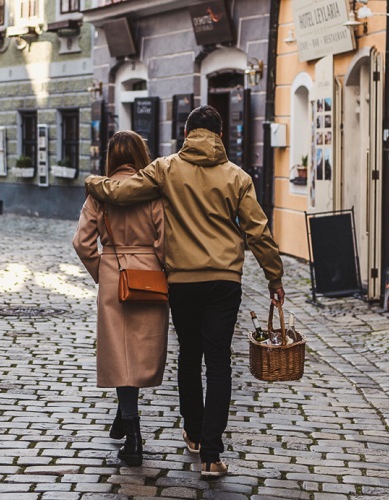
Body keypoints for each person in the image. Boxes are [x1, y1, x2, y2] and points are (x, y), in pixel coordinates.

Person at [85, 105, 285, 477]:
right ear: (220, 135)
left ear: (187, 133)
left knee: (190, 357)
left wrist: (94, 183)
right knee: (220, 362)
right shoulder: (237, 177)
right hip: (225, 282)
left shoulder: (166, 168)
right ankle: (211, 454)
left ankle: (193, 433)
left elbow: (124, 190)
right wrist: (274, 277)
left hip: (183, 282)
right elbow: (258, 231)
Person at [72, 131, 168, 467]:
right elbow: (164, 241)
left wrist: (105, 270)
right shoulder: (154, 193)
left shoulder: (99, 193)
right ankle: (129, 424)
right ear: (142, 154)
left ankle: (131, 431)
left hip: (114, 274)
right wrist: (159, 267)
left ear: (111, 158)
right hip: (150, 277)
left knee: (120, 354)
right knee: (139, 354)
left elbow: (83, 243)